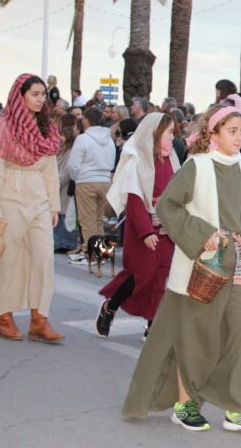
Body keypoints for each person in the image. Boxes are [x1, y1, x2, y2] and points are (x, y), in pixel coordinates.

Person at [122, 101, 241, 434]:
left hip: (237, 267)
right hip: (202, 266)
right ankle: (184, 405)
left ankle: (236, 409)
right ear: (214, 134)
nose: (239, 138)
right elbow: (168, 205)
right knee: (196, 338)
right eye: (232, 132)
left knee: (237, 336)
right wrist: (203, 235)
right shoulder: (197, 166)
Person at [0, 73, 64, 342]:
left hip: (39, 198)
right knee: (8, 260)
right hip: (9, 199)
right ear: (20, 95)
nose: (40, 99)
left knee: (44, 259)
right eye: (34, 94)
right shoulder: (4, 126)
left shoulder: (47, 126)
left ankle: (40, 319)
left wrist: (53, 205)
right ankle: (4, 317)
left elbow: (51, 170)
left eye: (42, 94)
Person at [95, 113, 180, 338]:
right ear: (155, 133)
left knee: (160, 277)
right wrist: (145, 231)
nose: (173, 137)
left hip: (166, 230)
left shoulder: (171, 158)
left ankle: (153, 327)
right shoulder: (137, 159)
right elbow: (134, 198)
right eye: (169, 132)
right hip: (145, 230)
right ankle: (110, 307)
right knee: (140, 275)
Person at [67, 107, 116, 265]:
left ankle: (89, 253)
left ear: (86, 120)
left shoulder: (83, 139)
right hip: (105, 181)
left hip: (86, 180)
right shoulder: (109, 139)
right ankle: (101, 253)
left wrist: (77, 177)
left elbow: (74, 164)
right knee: (98, 220)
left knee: (87, 219)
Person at [54, 114, 79, 252]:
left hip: (64, 188)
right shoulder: (61, 151)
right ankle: (59, 242)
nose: (59, 138)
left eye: (62, 135)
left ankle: (66, 243)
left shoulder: (70, 152)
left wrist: (54, 182)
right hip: (59, 188)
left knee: (65, 215)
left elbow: (66, 171)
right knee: (60, 215)